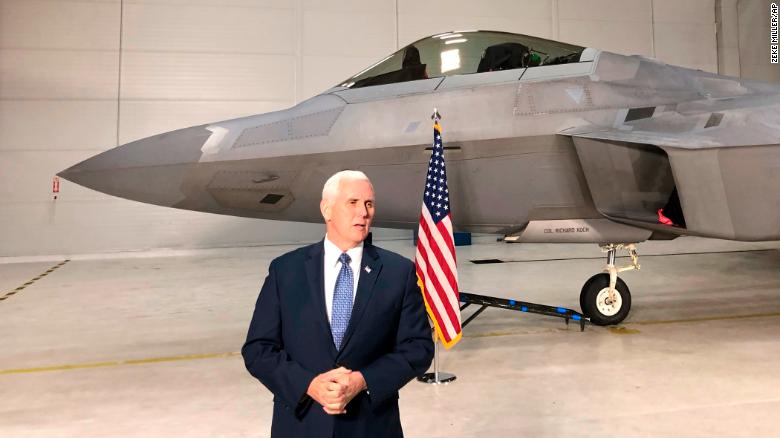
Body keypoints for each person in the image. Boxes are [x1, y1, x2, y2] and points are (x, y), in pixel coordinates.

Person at [242, 170, 434, 438]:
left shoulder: (397, 273)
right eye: (353, 202)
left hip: (371, 427)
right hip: (301, 424)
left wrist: (362, 380)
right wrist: (308, 384)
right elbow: (258, 349)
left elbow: (418, 348)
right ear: (327, 209)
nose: (363, 212)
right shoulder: (285, 270)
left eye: (369, 204)